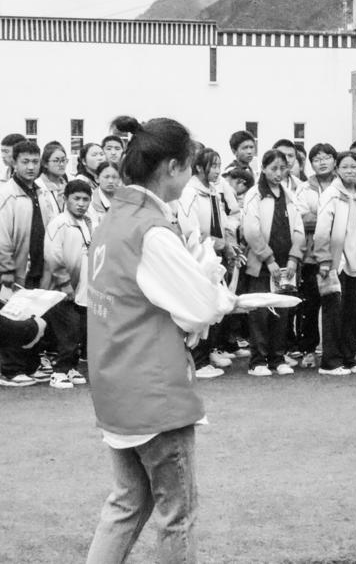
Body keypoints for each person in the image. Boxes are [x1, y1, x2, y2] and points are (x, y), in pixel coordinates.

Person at [85, 115, 239, 563]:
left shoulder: (115, 219)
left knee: (127, 503)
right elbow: (201, 306)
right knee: (178, 513)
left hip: (115, 383)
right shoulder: (150, 228)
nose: (190, 177)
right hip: (152, 390)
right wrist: (216, 287)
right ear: (172, 167)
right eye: (189, 167)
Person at [241, 149, 304, 377]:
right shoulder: (254, 194)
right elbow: (251, 230)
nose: (278, 173)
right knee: (260, 311)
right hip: (262, 263)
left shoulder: (289, 195)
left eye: (283, 168)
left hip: (286, 264)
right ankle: (257, 360)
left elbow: (299, 229)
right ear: (264, 169)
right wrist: (269, 259)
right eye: (273, 168)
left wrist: (294, 258)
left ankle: (277, 358)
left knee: (281, 310)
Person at [0, 140, 59, 387]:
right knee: (14, 317)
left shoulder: (42, 192)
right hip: (14, 269)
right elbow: (2, 237)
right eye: (25, 161)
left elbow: (52, 228)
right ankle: (10, 370)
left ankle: (30, 366)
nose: (31, 167)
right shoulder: (6, 195)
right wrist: (7, 272)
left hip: (38, 265)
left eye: (35, 161)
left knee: (34, 313)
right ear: (14, 163)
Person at [176, 147, 238, 379]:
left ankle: (209, 352)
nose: (217, 171)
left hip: (214, 256)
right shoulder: (189, 192)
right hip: (199, 258)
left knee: (215, 306)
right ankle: (198, 361)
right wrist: (213, 242)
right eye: (213, 166)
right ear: (199, 168)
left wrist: (227, 242)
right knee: (199, 308)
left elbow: (224, 220)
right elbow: (190, 230)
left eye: (219, 165)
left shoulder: (214, 191)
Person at [314, 151, 356, 375]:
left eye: (354, 166)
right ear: (337, 169)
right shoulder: (331, 194)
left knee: (353, 312)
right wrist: (324, 259)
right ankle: (330, 362)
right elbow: (322, 230)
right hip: (335, 262)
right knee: (333, 312)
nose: (350, 171)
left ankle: (350, 358)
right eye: (345, 167)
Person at [43, 178, 93, 389]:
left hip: (81, 288)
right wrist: (64, 284)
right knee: (68, 331)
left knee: (79, 330)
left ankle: (71, 367)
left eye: (85, 199)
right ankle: (59, 372)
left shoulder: (87, 222)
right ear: (65, 199)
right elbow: (53, 255)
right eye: (76, 198)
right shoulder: (59, 223)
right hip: (61, 288)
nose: (81, 204)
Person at [292, 143, 338, 368]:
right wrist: (330, 219)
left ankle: (334, 351)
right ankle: (308, 350)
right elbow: (301, 218)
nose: (322, 162)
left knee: (335, 305)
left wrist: (318, 217)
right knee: (309, 306)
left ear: (334, 160)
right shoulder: (304, 188)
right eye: (317, 159)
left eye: (326, 157)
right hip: (310, 256)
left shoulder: (342, 185)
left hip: (337, 255)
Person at [38, 142, 69, 214]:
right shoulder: (38, 186)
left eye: (63, 160)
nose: (61, 164)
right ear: (45, 164)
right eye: (56, 161)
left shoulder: (67, 185)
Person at [89, 161, 121, 227]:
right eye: (106, 177)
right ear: (97, 178)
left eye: (114, 177)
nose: (110, 181)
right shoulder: (91, 202)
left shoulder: (126, 200)